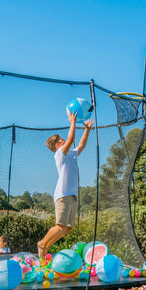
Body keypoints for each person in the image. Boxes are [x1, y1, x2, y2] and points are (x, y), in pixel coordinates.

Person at [37, 110, 94, 258]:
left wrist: (87, 130)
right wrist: (73, 121)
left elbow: (81, 145)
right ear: (57, 145)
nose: (64, 140)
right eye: (61, 140)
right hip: (63, 194)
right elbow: (71, 138)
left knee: (67, 228)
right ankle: (42, 244)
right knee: (60, 225)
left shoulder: (71, 154)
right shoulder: (59, 155)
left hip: (72, 195)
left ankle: (46, 245)